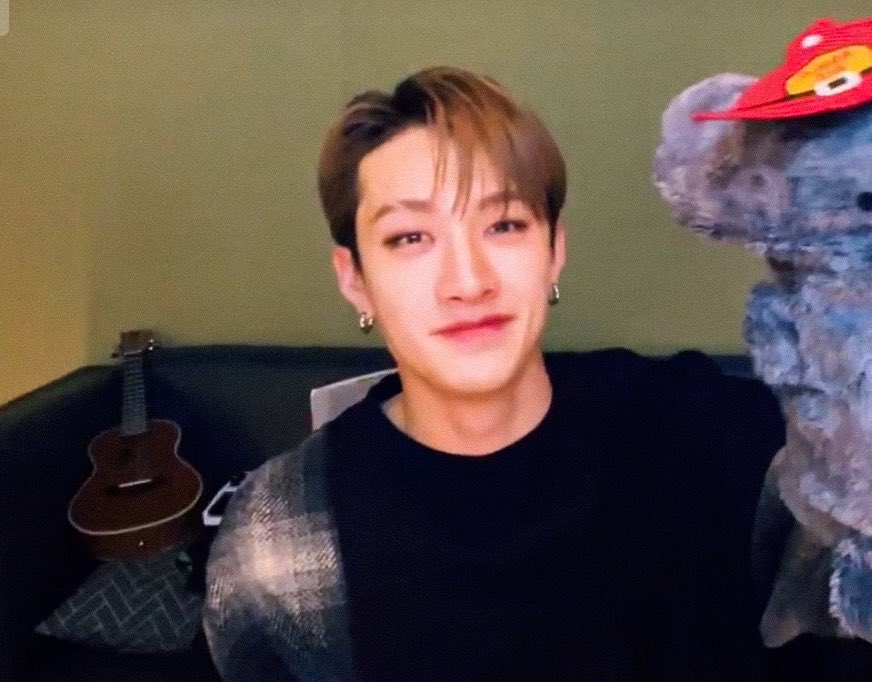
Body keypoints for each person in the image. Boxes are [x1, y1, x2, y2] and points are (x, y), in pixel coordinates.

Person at [202, 66, 786, 681]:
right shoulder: (281, 541)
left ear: (553, 250)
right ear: (355, 281)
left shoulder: (696, 427)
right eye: (410, 238)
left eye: (504, 225)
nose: (468, 281)